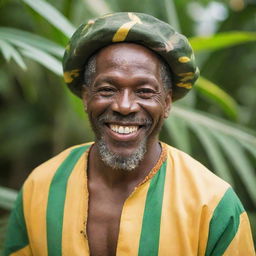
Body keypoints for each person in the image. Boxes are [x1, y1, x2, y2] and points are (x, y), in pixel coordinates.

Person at [4, 12, 255, 256]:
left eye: (144, 91)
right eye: (107, 89)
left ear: (167, 103)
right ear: (85, 97)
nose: (124, 106)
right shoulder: (42, 187)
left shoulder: (212, 204)